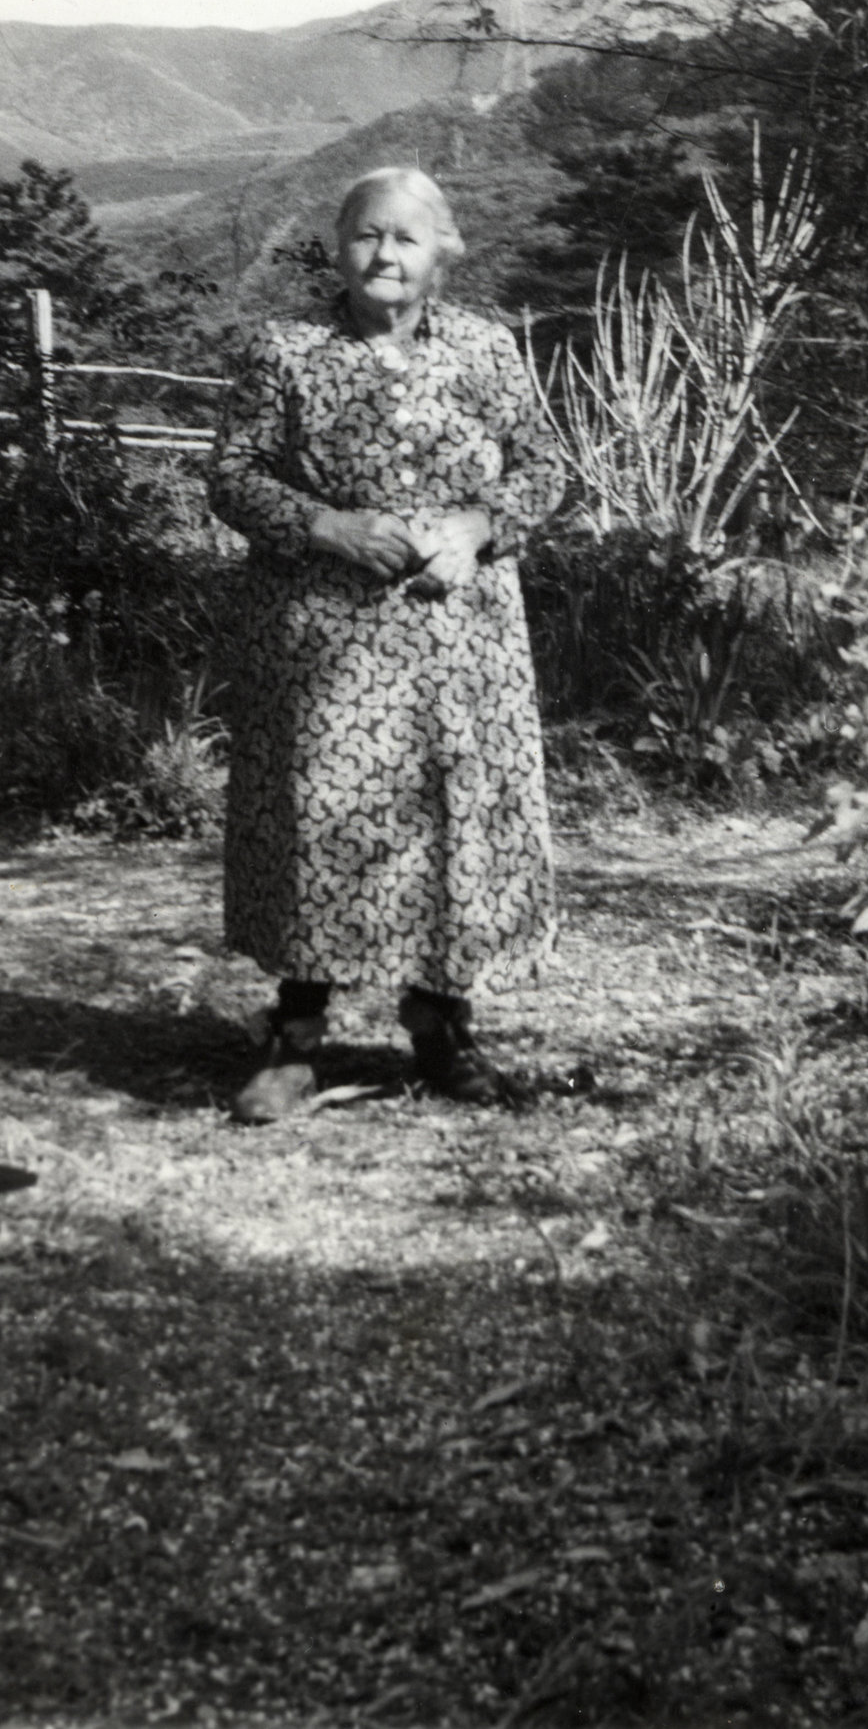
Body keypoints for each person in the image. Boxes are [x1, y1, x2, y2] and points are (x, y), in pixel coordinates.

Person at [206, 166, 565, 1121]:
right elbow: (233, 476)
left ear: (442, 250)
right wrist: (328, 527)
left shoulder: (488, 351)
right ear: (340, 247)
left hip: (463, 639)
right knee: (318, 816)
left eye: (406, 237)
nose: (384, 254)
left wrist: (476, 529)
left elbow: (543, 468)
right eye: (367, 235)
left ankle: (444, 1028)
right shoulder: (285, 353)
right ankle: (293, 1038)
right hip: (327, 636)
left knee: (452, 817)